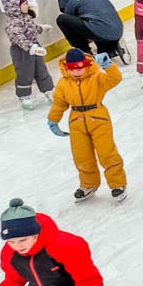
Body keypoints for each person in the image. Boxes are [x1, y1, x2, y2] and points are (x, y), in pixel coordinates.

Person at [48, 48, 127, 201]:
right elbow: (59, 103)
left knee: (107, 153)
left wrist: (108, 66)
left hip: (99, 118)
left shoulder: (96, 77)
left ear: (86, 65)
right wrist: (53, 120)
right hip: (76, 121)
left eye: (80, 67)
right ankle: (88, 184)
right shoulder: (63, 83)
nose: (77, 72)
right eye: (72, 69)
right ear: (66, 67)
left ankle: (117, 184)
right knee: (81, 155)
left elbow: (114, 79)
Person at [0, 0, 53, 109]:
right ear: (14, 7)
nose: (27, 6)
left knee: (41, 69)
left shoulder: (25, 17)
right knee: (24, 73)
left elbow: (31, 27)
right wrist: (31, 48)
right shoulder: (12, 23)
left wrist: (41, 28)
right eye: (24, 4)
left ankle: (49, 90)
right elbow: (18, 37)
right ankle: (24, 96)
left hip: (35, 46)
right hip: (21, 51)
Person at [54, 0, 125, 61]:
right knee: (94, 20)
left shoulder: (71, 2)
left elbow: (72, 25)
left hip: (99, 31)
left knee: (62, 19)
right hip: (117, 32)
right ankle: (109, 49)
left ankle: (84, 51)